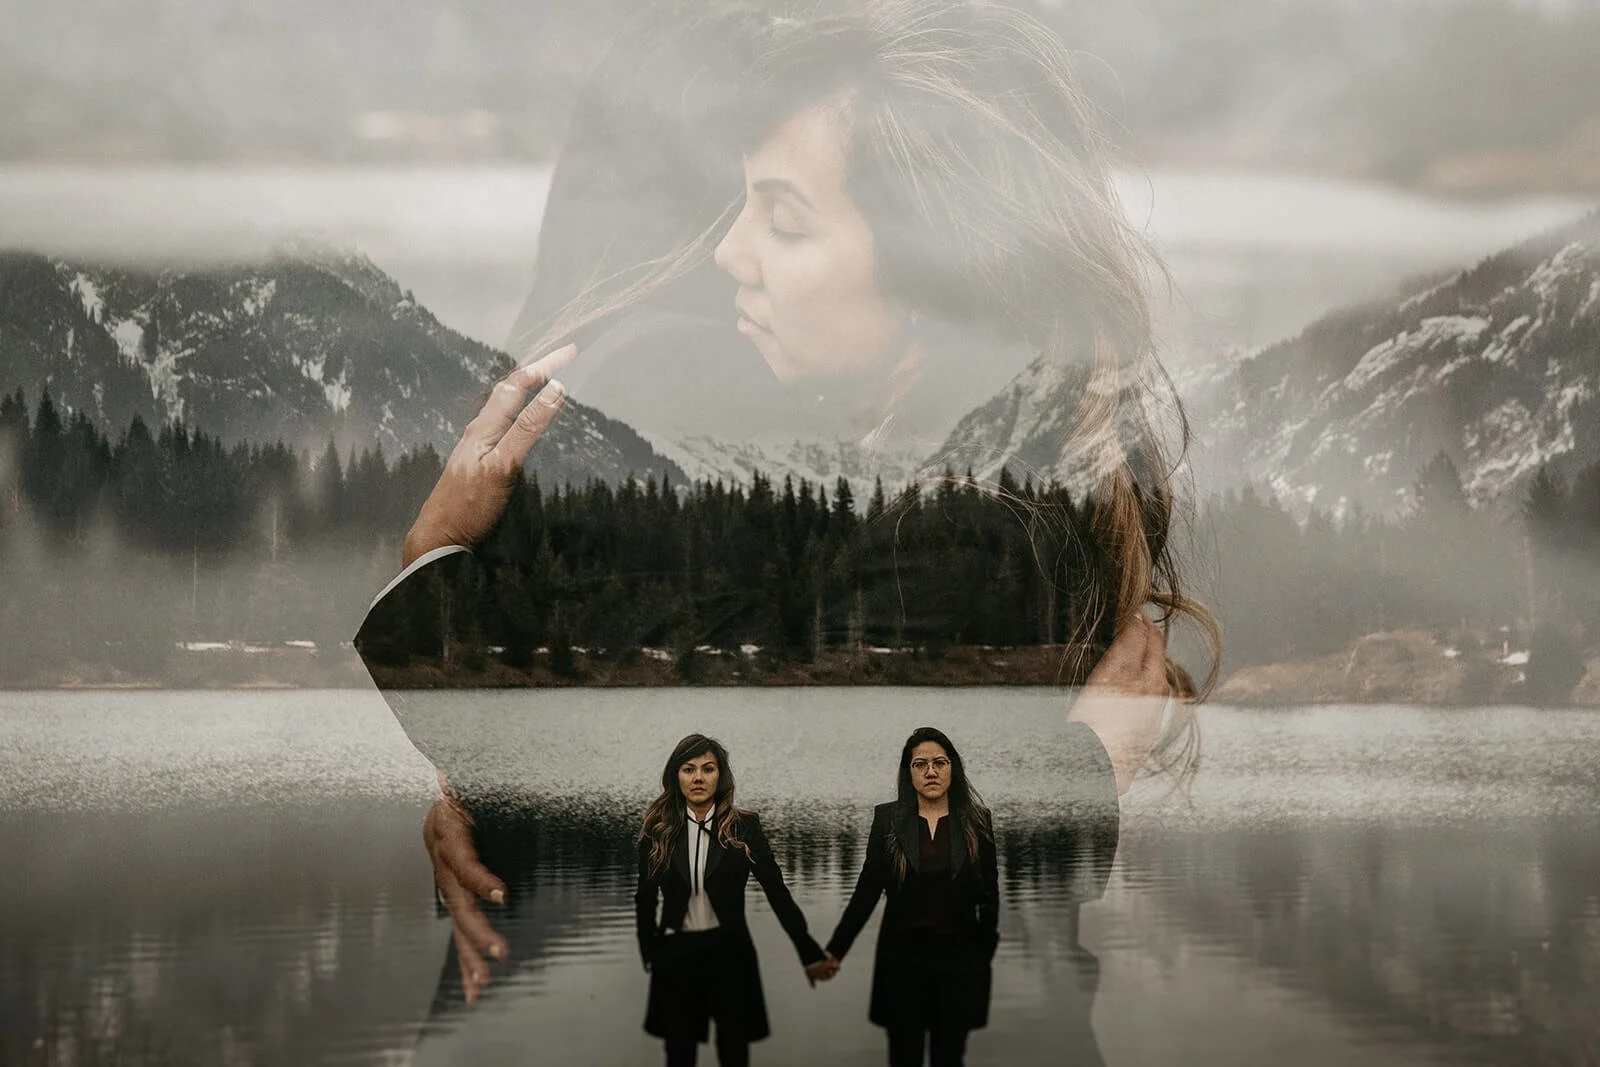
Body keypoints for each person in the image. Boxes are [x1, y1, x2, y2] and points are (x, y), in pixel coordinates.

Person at [363, 0, 1201, 1013]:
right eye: (743, 207)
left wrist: (439, 563)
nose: (730, 254)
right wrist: (491, 806)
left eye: (784, 219)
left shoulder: (965, 528)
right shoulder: (918, 475)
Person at [634, 733, 832, 1066]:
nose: (698, 778)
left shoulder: (743, 827)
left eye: (708, 769)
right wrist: (650, 950)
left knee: (735, 1054)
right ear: (675, 776)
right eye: (689, 769)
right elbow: (645, 897)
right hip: (677, 956)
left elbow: (775, 890)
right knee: (679, 1055)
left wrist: (808, 950)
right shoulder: (658, 829)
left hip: (731, 954)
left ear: (720, 776)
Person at [820, 728, 998, 1067]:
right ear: (909, 772)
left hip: (957, 965)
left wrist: (981, 958)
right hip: (902, 964)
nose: (931, 772)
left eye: (939, 763)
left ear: (953, 768)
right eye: (920, 764)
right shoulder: (888, 821)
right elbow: (867, 892)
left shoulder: (977, 821)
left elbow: (989, 899)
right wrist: (835, 950)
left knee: (950, 1057)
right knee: (904, 1057)